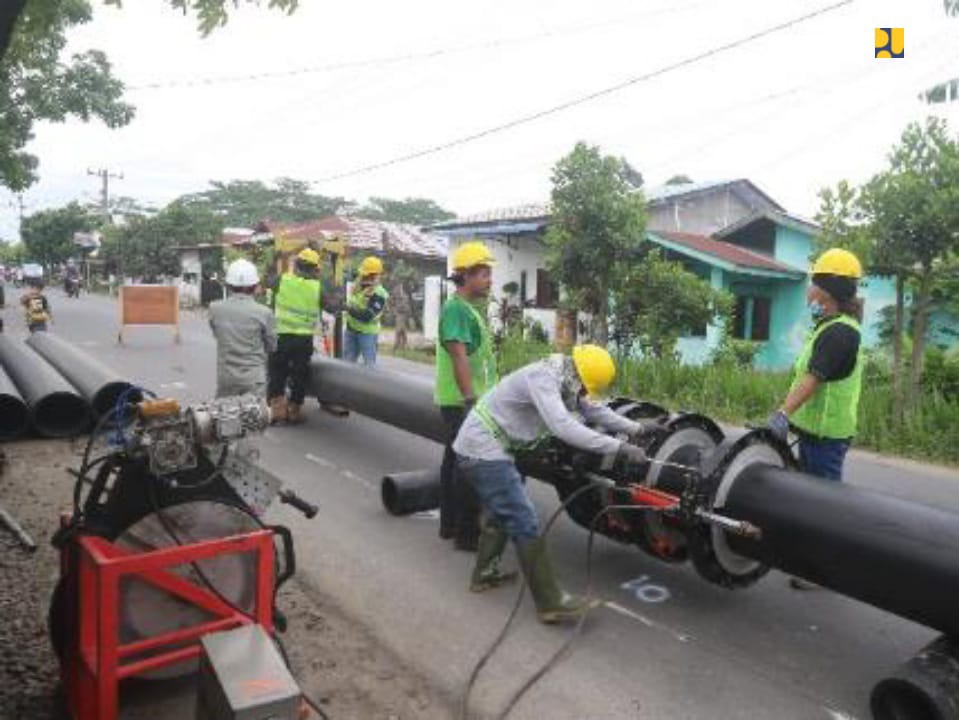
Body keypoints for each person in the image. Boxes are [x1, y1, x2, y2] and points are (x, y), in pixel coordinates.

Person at [454, 345, 651, 623]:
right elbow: (564, 427)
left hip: (490, 446)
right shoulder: (542, 379)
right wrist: (619, 447)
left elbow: (593, 410)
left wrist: (637, 429)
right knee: (524, 519)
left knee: (501, 512)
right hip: (483, 449)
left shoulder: (566, 377)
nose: (583, 394)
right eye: (583, 387)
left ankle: (485, 574)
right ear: (577, 376)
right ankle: (550, 601)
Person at [766, 248, 864, 590]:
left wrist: (782, 413)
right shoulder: (829, 327)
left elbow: (813, 378)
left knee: (824, 506)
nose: (808, 292)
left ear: (826, 292)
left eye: (812, 285)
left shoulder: (839, 332)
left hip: (827, 436)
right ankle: (809, 557)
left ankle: (825, 572)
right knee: (809, 499)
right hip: (815, 432)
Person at [435, 242, 498, 551]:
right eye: (484, 273)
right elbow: (459, 357)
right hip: (463, 402)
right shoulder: (456, 309)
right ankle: (467, 533)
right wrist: (472, 400)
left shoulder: (465, 308)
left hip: (465, 400)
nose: (489, 279)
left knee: (454, 463)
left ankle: (450, 525)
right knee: (469, 467)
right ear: (466, 275)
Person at [268, 248, 332, 425]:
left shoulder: (282, 280)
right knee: (299, 374)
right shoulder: (317, 287)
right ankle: (294, 410)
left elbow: (268, 285)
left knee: (277, 372)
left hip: (281, 335)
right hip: (303, 339)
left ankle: (277, 412)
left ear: (296, 265)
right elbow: (331, 306)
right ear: (314, 269)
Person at [209, 259, 276, 398]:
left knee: (225, 416)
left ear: (228, 285)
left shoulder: (215, 308)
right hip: (254, 379)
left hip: (226, 378)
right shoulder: (264, 312)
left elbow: (217, 334)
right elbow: (272, 346)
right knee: (255, 417)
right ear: (255, 285)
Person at [344, 256, 389, 367]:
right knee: (346, 365)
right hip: (351, 330)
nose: (364, 276)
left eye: (368, 274)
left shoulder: (379, 293)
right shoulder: (358, 286)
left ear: (376, 275)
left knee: (369, 367)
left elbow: (367, 316)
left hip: (367, 333)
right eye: (364, 274)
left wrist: (347, 308)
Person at [20, 267, 51, 333]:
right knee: (35, 334)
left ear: (40, 289)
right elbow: (22, 302)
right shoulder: (28, 297)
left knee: (40, 334)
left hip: (40, 321)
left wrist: (48, 314)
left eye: (35, 288)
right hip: (32, 321)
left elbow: (45, 307)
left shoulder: (41, 297)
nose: (32, 290)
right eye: (31, 288)